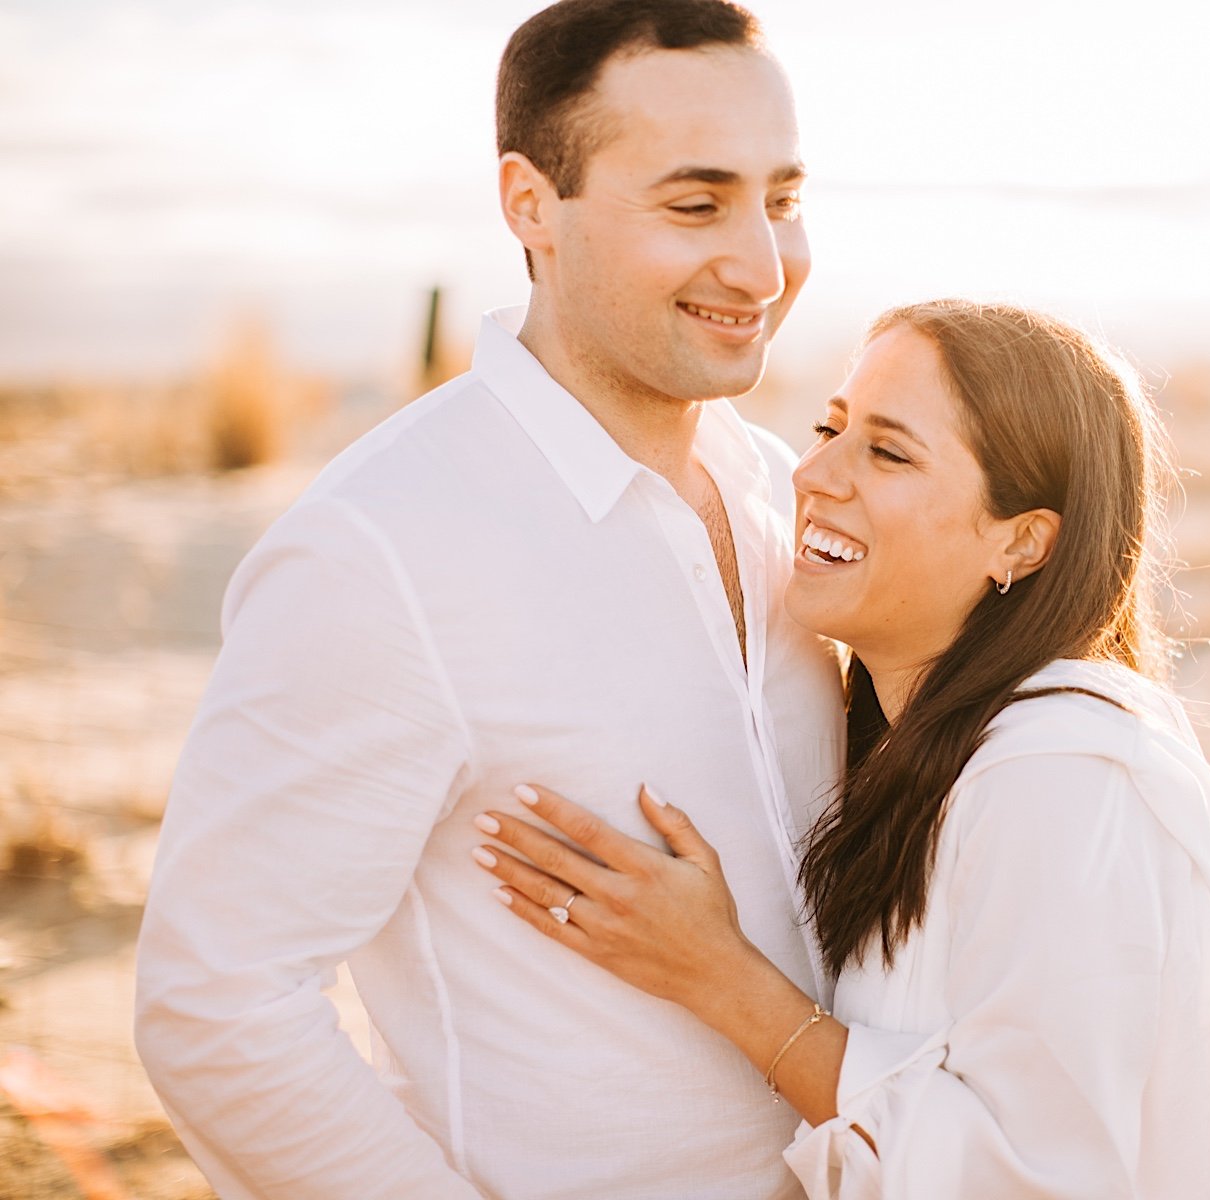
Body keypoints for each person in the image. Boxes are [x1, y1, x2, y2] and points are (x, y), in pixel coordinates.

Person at [133, 2, 845, 1196]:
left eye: (780, 197)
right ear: (530, 205)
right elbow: (217, 1001)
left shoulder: (788, 493)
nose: (764, 266)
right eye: (694, 203)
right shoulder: (384, 548)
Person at [470, 300, 1210, 1198]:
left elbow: (1030, 1175)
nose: (815, 472)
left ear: (1021, 543)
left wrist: (720, 979)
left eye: (888, 451)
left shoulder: (1062, 775)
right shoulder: (905, 746)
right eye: (829, 427)